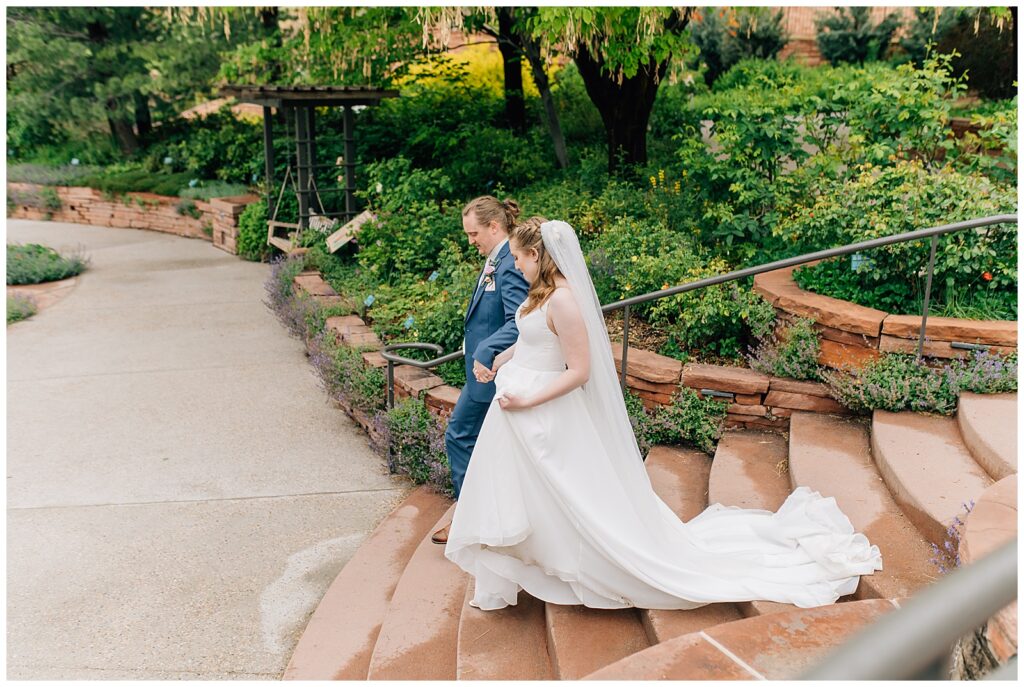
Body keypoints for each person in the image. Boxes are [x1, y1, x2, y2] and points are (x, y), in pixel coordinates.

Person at [444, 217, 882, 611]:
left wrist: (528, 401)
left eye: (520, 260)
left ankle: (583, 564)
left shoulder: (564, 300)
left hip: (542, 412)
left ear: (537, 255)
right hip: (517, 407)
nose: (516, 267)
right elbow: (534, 339)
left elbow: (578, 371)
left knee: (568, 496)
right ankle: (529, 564)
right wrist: (504, 359)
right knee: (526, 493)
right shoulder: (540, 296)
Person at [431, 196, 529, 545]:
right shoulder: (497, 259)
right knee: (491, 448)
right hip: (482, 371)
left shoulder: (509, 264)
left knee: (459, 435)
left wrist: (485, 349)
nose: (470, 240)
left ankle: (468, 518)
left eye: (474, 233)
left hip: (491, 374)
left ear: (493, 226)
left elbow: (519, 320)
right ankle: (484, 516)